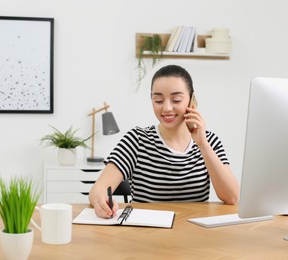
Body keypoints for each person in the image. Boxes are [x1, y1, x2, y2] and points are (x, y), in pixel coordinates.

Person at [89, 65, 239, 218]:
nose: (167, 108)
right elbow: (98, 190)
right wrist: (101, 201)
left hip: (193, 234)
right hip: (144, 233)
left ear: (191, 100)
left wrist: (203, 144)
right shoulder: (137, 139)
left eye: (176, 100)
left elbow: (232, 197)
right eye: (159, 100)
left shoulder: (209, 141)